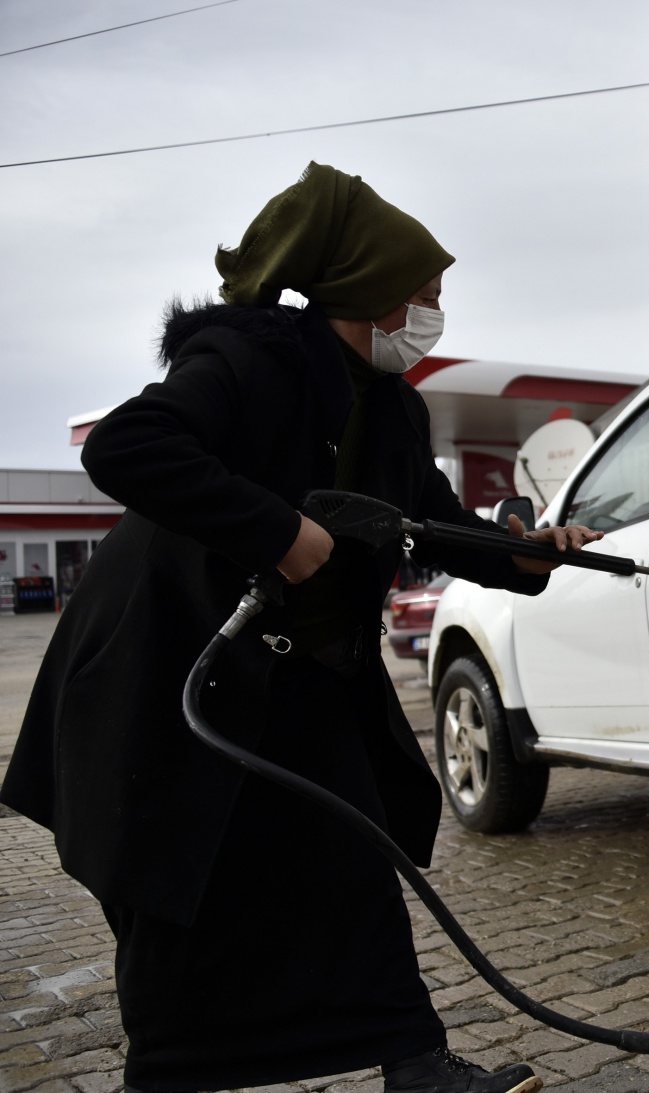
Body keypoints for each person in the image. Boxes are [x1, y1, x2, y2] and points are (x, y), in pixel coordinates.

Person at [0, 162, 601, 1093]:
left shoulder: (395, 408)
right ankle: (167, 1076)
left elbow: (431, 520)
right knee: (178, 891)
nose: (432, 317)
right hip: (171, 680)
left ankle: (416, 1063)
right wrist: (276, 530)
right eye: (423, 298)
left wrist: (528, 554)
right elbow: (128, 447)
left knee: (356, 853)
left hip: (301, 681)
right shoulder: (247, 361)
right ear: (367, 294)